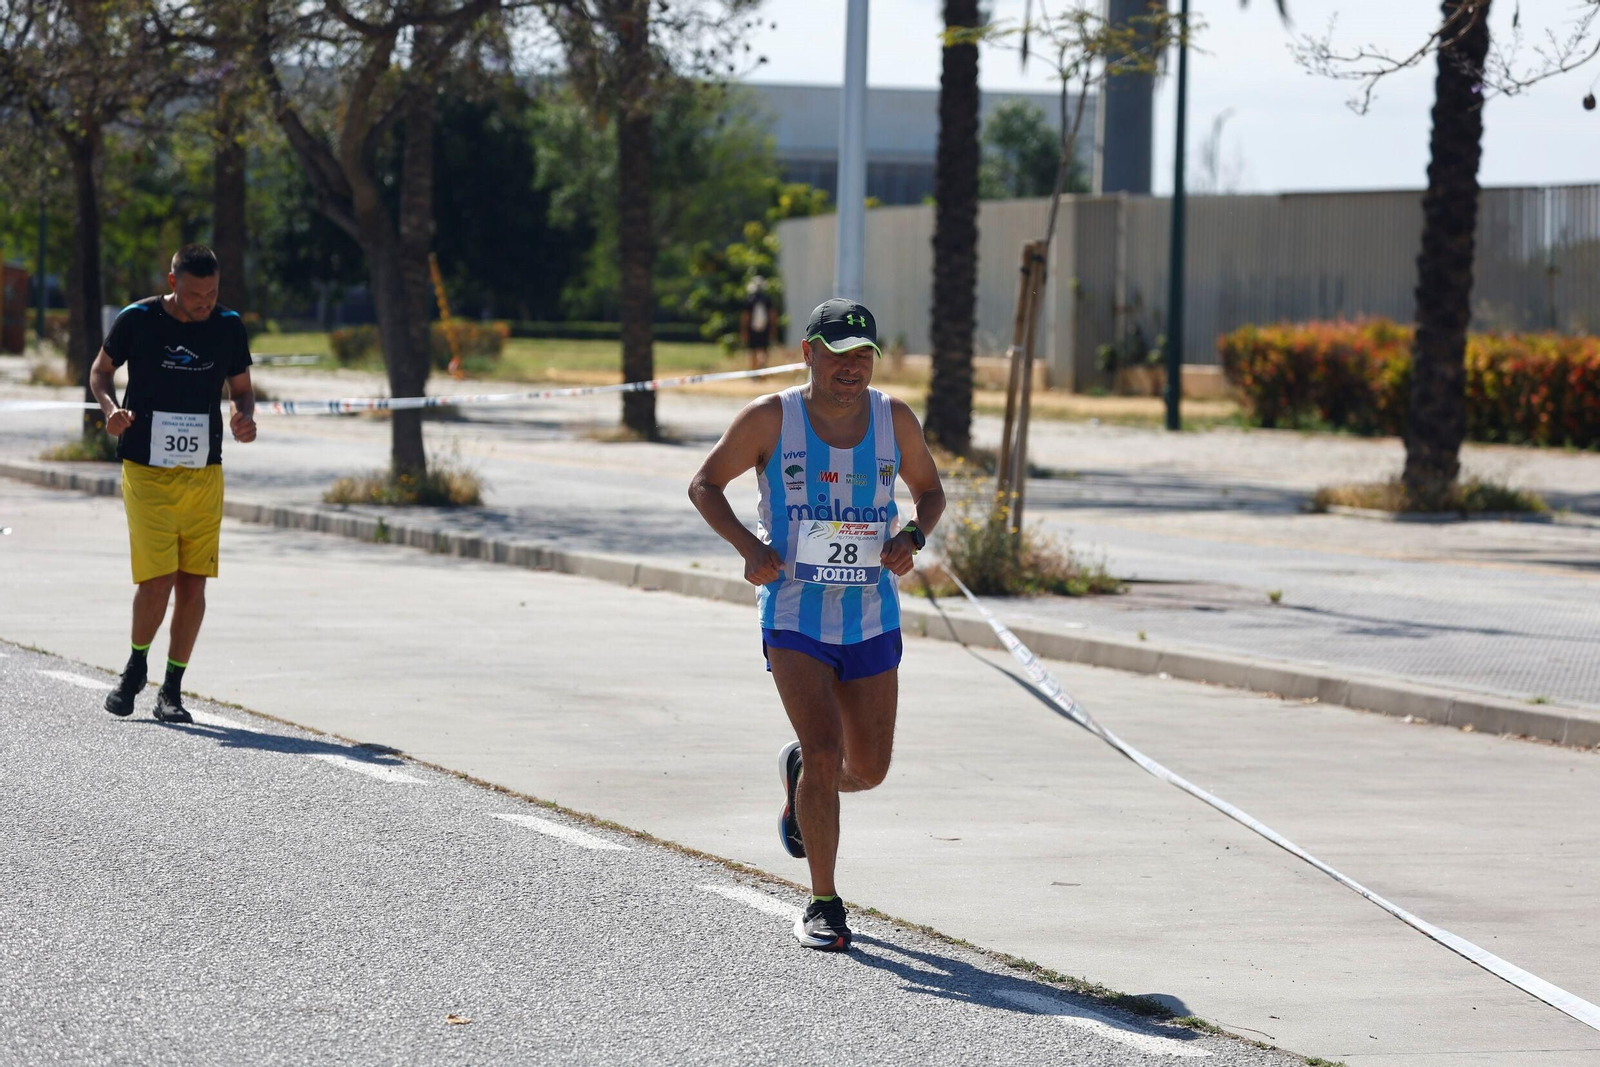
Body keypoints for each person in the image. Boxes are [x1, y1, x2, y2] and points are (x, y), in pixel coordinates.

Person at [689, 298, 945, 951]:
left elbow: (930, 491)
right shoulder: (771, 419)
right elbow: (704, 485)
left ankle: (801, 772)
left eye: (864, 354)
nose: (852, 368)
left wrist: (911, 535)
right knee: (828, 750)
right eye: (838, 354)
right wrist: (751, 549)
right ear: (808, 353)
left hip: (870, 614)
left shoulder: (895, 420)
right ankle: (825, 902)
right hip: (794, 611)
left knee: (869, 766)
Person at [89, 244, 257, 724]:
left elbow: (242, 391)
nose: (205, 303)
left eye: (212, 293)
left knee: (193, 582)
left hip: (204, 472)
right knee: (156, 577)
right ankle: (135, 664)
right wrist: (110, 411)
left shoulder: (227, 326)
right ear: (172, 282)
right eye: (195, 294)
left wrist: (243, 418)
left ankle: (173, 688)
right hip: (145, 468)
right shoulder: (137, 320)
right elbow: (100, 372)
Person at [740, 277, 775, 371]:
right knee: (764, 350)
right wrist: (772, 329)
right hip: (765, 328)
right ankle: (762, 369)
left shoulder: (749, 300)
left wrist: (744, 330)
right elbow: (772, 315)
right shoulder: (767, 299)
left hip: (752, 328)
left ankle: (754, 371)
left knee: (753, 351)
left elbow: (745, 317)